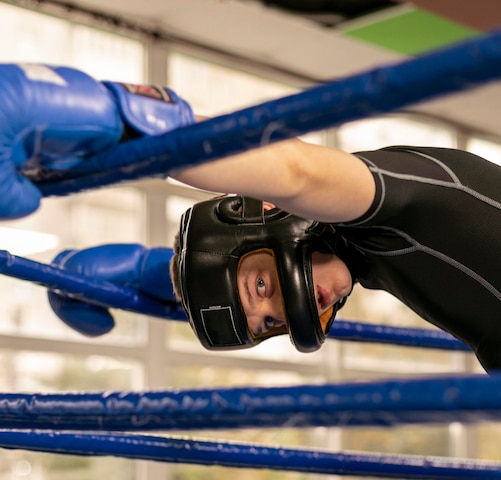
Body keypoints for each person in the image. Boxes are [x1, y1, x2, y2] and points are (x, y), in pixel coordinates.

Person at [0, 62, 500, 372]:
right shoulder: (372, 256)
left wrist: (119, 124)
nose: (285, 312)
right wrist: (170, 274)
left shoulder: (393, 202)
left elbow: (295, 172)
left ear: (262, 218)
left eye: (263, 289)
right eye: (270, 324)